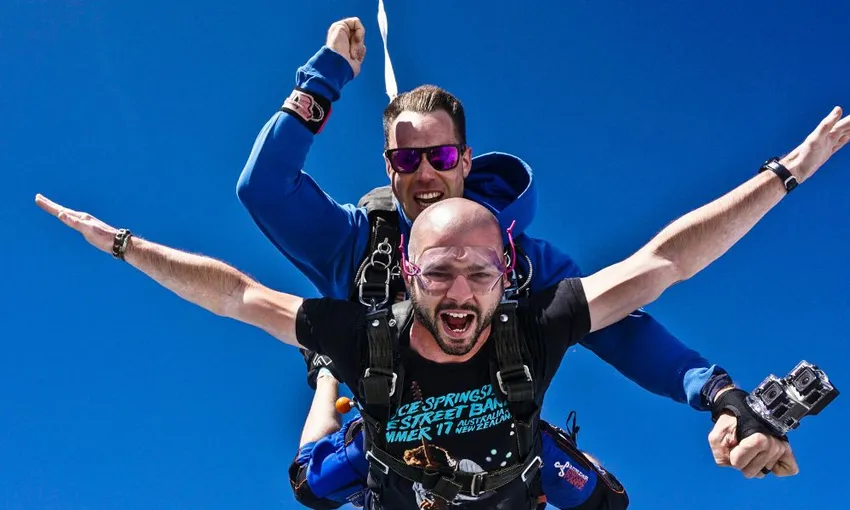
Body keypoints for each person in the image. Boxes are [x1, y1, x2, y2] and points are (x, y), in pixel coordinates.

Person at [34, 109, 850, 504]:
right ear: (407, 271)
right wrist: (122, 243)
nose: (460, 295)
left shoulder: (537, 301)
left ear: (508, 272)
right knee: (310, 485)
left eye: (480, 274)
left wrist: (723, 398)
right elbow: (237, 291)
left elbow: (661, 267)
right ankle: (328, 388)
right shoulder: (360, 280)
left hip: (509, 465)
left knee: (606, 504)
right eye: (440, 274)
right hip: (388, 451)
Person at [294, 359, 627, 509]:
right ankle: (327, 372)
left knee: (310, 485)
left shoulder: (534, 453)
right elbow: (605, 496)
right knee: (310, 484)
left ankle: (326, 373)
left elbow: (308, 483)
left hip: (390, 452)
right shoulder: (533, 453)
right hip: (394, 449)